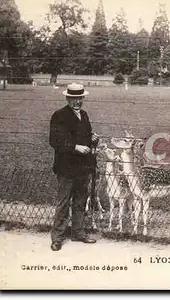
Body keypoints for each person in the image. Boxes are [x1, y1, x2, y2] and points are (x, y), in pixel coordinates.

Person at [49, 83, 99, 251]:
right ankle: (57, 237)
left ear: (83, 98)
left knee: (80, 200)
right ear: (68, 98)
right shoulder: (59, 116)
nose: (77, 101)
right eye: (74, 98)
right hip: (66, 167)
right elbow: (54, 141)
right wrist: (75, 147)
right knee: (63, 202)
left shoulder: (84, 115)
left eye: (80, 98)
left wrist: (92, 138)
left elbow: (86, 136)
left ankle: (78, 232)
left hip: (83, 167)